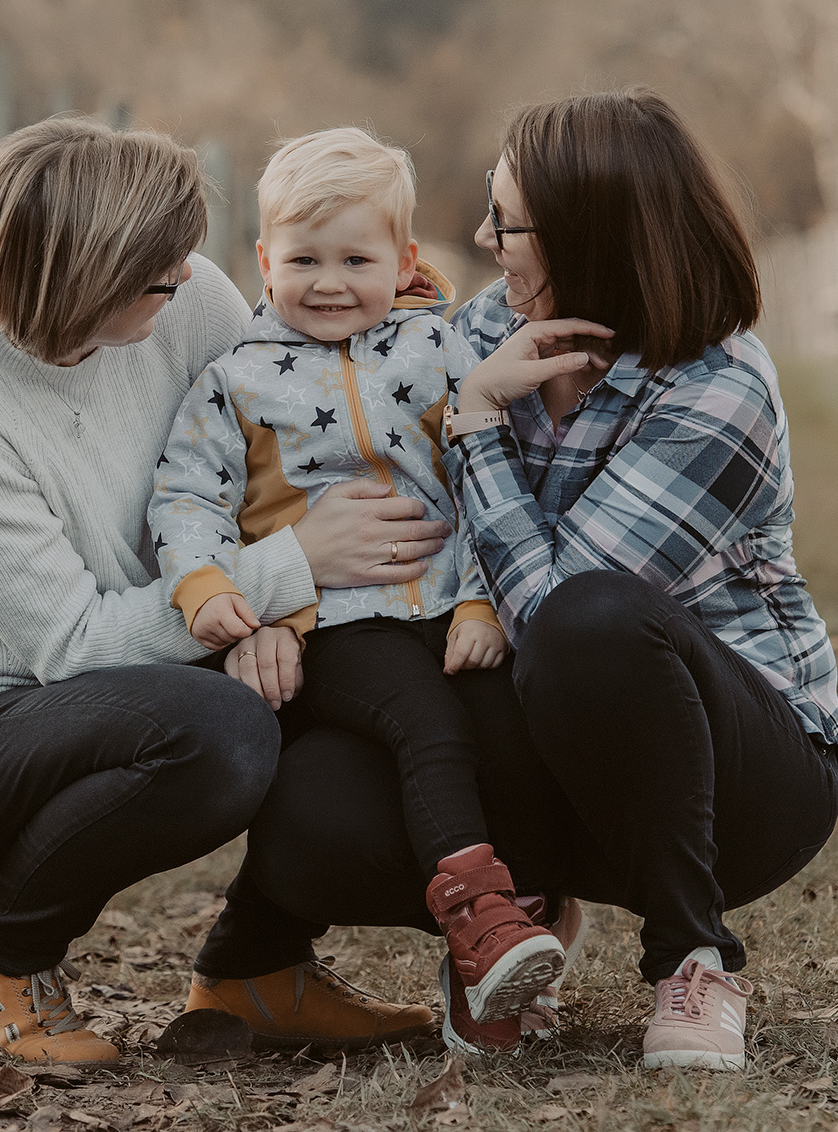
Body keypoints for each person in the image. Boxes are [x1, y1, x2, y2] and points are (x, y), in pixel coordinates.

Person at [190, 88, 838, 1070]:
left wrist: (479, 424)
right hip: (553, 745)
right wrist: (274, 594)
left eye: (505, 219)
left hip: (735, 773)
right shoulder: (484, 325)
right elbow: (313, 394)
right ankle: (512, 905)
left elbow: (551, 615)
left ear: (587, 237)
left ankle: (691, 956)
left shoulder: (718, 384)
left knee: (589, 622)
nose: (481, 236)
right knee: (309, 810)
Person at [0, 117, 453, 1063]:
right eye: (158, 275)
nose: (187, 284)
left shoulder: (185, 295)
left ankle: (257, 965)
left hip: (168, 656)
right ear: (87, 279)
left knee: (347, 670)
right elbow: (73, 647)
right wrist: (291, 565)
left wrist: (274, 623)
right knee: (221, 733)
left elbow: (279, 431)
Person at [151, 128, 564, 1031]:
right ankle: (480, 927)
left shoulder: (436, 351)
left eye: (355, 257)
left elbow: (492, 484)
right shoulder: (236, 382)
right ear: (263, 260)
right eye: (303, 258)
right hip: (333, 625)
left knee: (505, 726)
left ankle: (499, 957)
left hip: (448, 606)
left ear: (405, 259)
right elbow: (187, 499)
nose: (329, 281)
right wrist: (212, 589)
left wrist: (484, 598)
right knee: (429, 726)